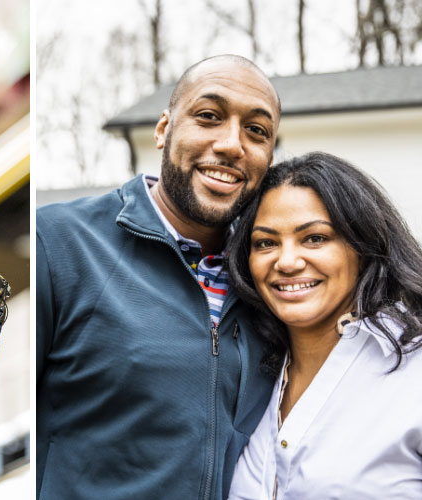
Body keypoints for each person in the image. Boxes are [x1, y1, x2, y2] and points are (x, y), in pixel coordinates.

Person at [36, 55, 281, 499]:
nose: (231, 144)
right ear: (164, 129)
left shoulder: (271, 284)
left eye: (257, 131)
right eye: (209, 117)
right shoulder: (57, 244)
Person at [225, 152, 422, 499]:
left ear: (364, 247)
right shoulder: (249, 378)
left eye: (314, 238)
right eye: (266, 243)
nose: (286, 261)